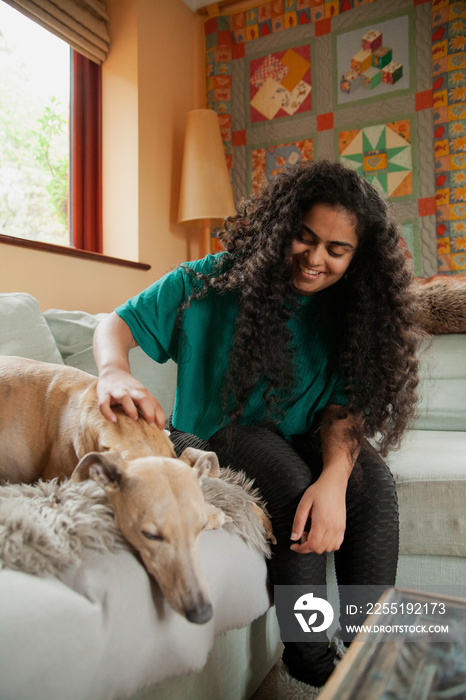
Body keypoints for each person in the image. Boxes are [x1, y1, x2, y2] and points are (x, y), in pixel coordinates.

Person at [93, 160, 422, 693]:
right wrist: (113, 372)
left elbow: (342, 412)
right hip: (217, 433)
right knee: (294, 489)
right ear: (281, 227)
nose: (316, 259)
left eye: (336, 251)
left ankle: (368, 652)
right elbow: (117, 323)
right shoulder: (207, 281)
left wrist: (336, 480)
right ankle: (309, 654)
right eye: (305, 238)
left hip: (303, 434)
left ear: (357, 258)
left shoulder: (352, 310)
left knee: (374, 486)